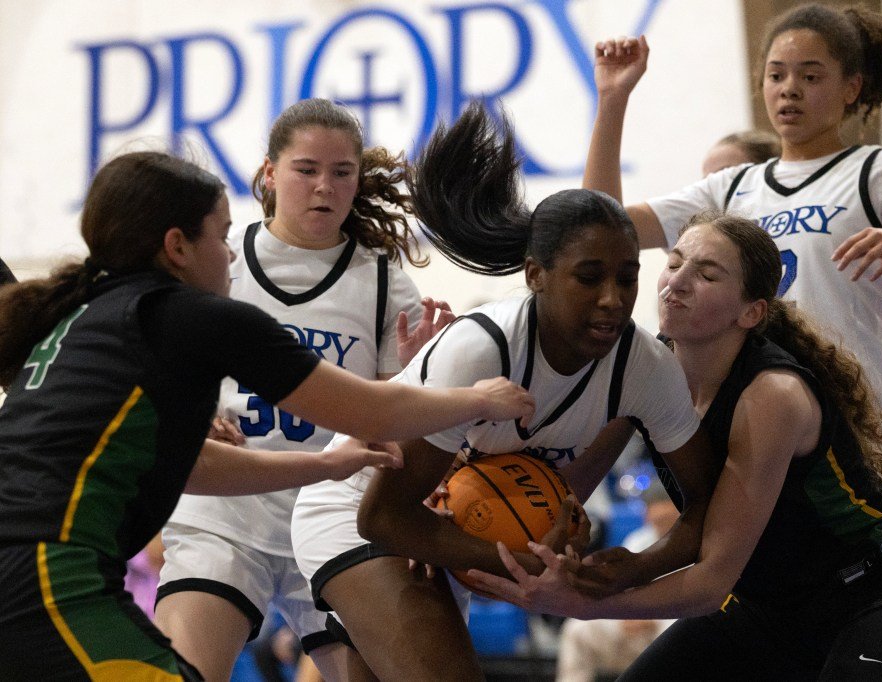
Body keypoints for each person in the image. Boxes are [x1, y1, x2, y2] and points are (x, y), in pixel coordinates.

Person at [0, 150, 533, 680]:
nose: (229, 255)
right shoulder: (191, 315)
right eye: (219, 234)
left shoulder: (84, 314)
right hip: (48, 577)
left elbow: (197, 468)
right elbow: (370, 408)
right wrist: (478, 398)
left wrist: (325, 466)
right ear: (177, 246)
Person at [584, 7, 882, 677]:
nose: (789, 90)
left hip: (860, 442)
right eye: (776, 75)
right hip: (772, 435)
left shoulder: (877, 171)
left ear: (852, 87)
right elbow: (599, 228)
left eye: (810, 75)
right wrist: (613, 99)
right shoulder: (734, 187)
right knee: (778, 608)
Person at [290, 102, 717, 681]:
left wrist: (633, 567)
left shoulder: (645, 366)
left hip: (448, 525)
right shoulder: (482, 348)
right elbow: (384, 515)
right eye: (589, 278)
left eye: (626, 277)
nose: (613, 298)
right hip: (361, 505)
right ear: (536, 275)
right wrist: (514, 554)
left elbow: (706, 506)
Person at [472, 211, 882, 681]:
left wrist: (585, 603)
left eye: (707, 273)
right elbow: (567, 488)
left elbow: (710, 583)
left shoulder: (772, 397)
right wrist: (479, 526)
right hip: (767, 602)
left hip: (871, 592)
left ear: (751, 311)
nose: (677, 281)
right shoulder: (643, 367)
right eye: (674, 263)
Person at [154, 98, 453, 682]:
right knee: (183, 672)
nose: (325, 187)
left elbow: (400, 423)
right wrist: (191, 412)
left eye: (342, 172)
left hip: (329, 516)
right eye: (306, 169)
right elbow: (160, 369)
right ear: (270, 173)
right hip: (227, 511)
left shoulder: (385, 282)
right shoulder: (220, 258)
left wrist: (417, 377)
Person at [704, 128, 882, 680]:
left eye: (727, 188)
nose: (715, 200)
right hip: (838, 462)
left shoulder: (830, 267)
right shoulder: (742, 290)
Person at [554, 484, 678, 682]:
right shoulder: (638, 540)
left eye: (664, 506)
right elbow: (623, 590)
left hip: (671, 626)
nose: (658, 513)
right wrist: (627, 616)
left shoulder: (693, 543)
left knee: (677, 635)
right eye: (653, 507)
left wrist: (652, 621)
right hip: (634, 624)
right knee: (577, 630)